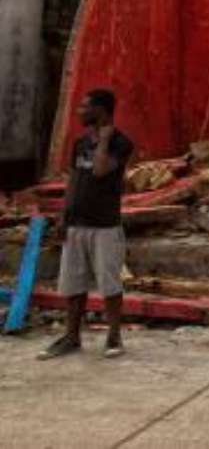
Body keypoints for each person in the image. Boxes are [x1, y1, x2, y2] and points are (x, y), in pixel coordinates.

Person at [39, 88, 135, 361]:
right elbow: (73, 180)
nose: (79, 112)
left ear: (101, 111)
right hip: (76, 223)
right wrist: (63, 215)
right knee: (73, 282)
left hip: (105, 224)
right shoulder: (80, 143)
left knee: (109, 283)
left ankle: (113, 336)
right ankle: (71, 336)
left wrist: (103, 140)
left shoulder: (120, 143)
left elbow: (100, 170)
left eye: (85, 107)